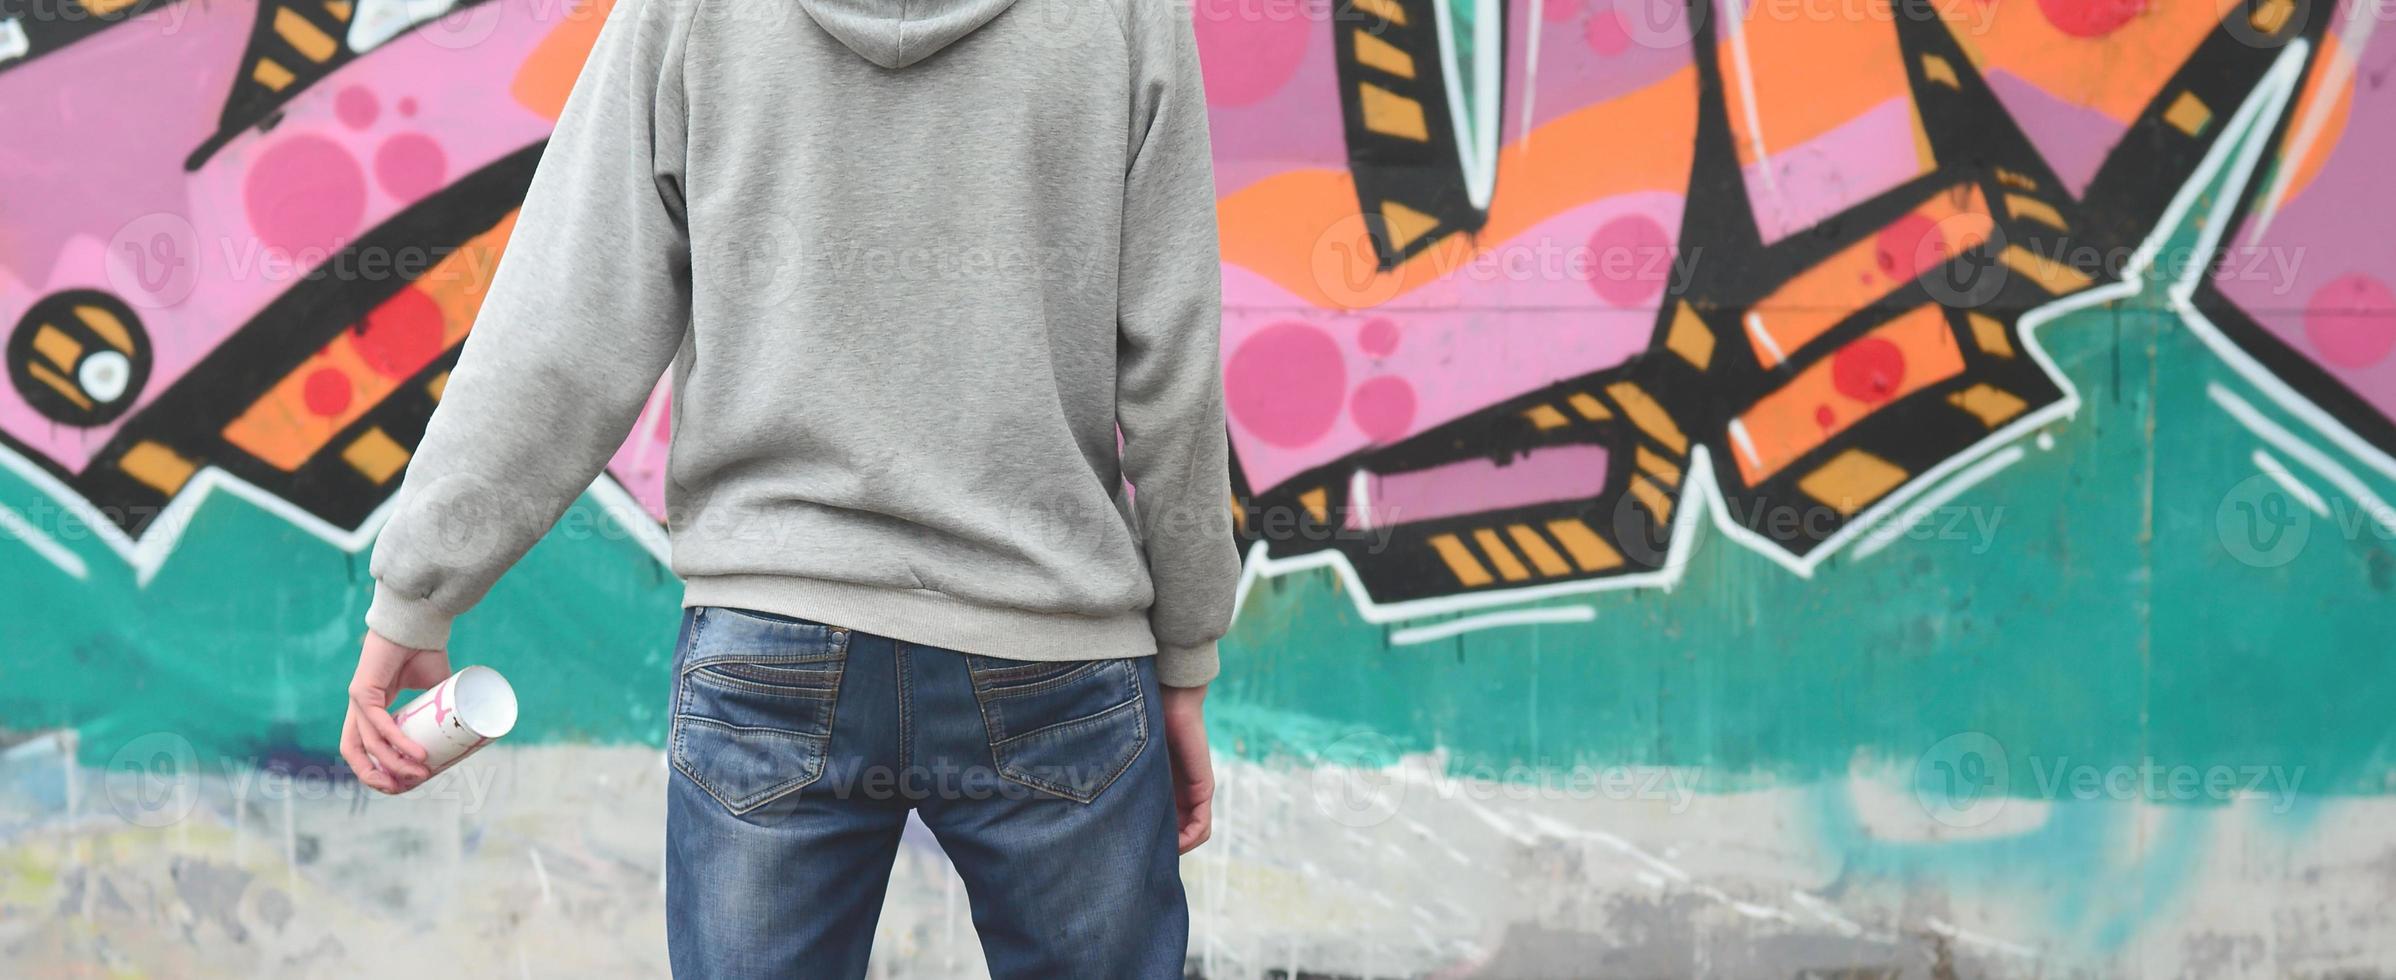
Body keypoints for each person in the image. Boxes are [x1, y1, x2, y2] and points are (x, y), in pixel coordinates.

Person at [334, 0, 1235, 973]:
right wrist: (1186, 650)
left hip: (771, 648)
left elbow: (564, 327)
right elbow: (1172, 363)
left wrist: (416, 594)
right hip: (1050, 651)